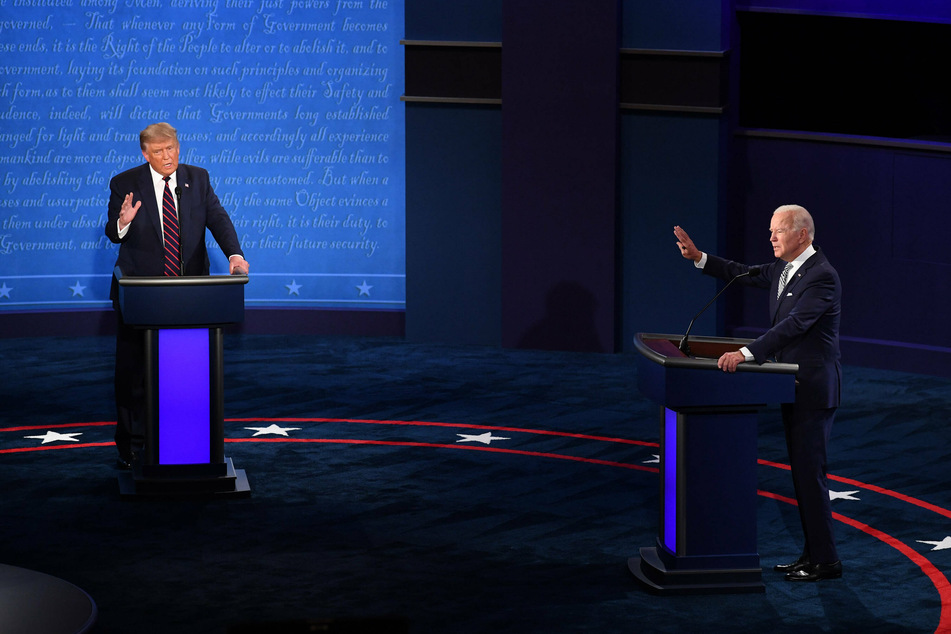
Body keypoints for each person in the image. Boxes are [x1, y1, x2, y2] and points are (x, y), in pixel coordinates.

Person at [673, 204, 842, 583]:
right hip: (791, 385)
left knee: (809, 476)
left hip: (813, 390)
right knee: (802, 476)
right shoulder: (785, 268)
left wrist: (748, 353)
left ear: (802, 234)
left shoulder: (823, 277)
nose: (771, 238)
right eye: (770, 231)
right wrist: (700, 259)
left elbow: (796, 325)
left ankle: (827, 561)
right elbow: (740, 273)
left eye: (777, 231)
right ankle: (813, 554)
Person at [105, 122, 250, 470]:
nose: (167, 157)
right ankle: (132, 446)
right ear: (145, 154)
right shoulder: (125, 183)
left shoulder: (197, 178)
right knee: (133, 374)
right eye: (158, 151)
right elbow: (113, 232)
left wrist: (234, 254)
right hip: (140, 297)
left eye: (171, 148)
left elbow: (217, 218)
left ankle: (189, 440)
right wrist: (123, 223)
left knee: (188, 373)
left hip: (190, 297)